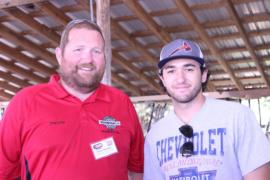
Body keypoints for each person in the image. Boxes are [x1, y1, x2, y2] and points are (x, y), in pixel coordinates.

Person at [0, 19, 144, 180]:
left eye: (96, 51)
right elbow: (4, 171)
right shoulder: (25, 102)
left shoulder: (122, 103)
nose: (88, 60)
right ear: (59, 55)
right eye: (78, 49)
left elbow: (137, 170)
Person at [144, 38, 270, 180]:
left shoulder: (237, 117)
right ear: (162, 79)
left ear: (203, 74)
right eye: (171, 71)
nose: (180, 79)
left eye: (189, 69)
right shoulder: (154, 136)